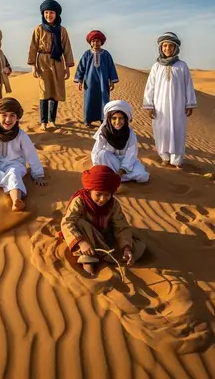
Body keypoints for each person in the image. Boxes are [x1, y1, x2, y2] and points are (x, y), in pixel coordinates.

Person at [61, 165, 146, 276]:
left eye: (107, 195)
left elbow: (121, 226)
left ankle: (102, 253)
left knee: (135, 249)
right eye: (98, 194)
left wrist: (126, 247)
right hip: (85, 235)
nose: (102, 199)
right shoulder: (80, 201)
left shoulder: (113, 204)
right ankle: (88, 257)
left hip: (104, 235)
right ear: (90, 190)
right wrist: (82, 243)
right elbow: (67, 222)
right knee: (80, 223)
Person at [143, 32, 197, 168]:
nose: (167, 49)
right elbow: (150, 87)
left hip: (178, 106)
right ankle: (164, 157)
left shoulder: (182, 66)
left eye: (170, 46)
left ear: (176, 48)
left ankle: (177, 160)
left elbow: (188, 85)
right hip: (159, 106)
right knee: (161, 130)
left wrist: (189, 103)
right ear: (161, 48)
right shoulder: (156, 66)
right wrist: (149, 105)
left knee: (178, 130)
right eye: (165, 46)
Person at [27, 0, 75, 130]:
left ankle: (52, 120)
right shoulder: (39, 29)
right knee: (44, 91)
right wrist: (33, 66)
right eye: (46, 12)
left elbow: (67, 48)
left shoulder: (62, 30)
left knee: (55, 90)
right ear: (43, 14)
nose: (49, 15)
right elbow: (33, 47)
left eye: (51, 13)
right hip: (43, 61)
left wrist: (67, 68)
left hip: (58, 62)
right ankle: (43, 122)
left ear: (57, 14)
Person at [91, 100, 150, 183]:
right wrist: (97, 168)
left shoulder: (130, 133)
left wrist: (122, 170)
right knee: (102, 154)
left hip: (127, 162)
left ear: (126, 119)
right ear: (109, 119)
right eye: (114, 118)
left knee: (143, 177)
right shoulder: (104, 132)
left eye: (121, 118)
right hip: (109, 161)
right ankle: (116, 177)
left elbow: (131, 153)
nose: (117, 122)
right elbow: (95, 152)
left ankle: (114, 176)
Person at [74, 30, 119, 127]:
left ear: (101, 42)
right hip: (89, 82)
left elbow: (111, 67)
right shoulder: (87, 54)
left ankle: (104, 120)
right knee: (89, 99)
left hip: (103, 81)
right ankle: (88, 120)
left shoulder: (106, 54)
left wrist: (112, 81)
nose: (95, 43)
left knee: (104, 100)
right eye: (93, 41)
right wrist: (79, 80)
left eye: (98, 41)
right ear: (90, 43)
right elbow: (81, 67)